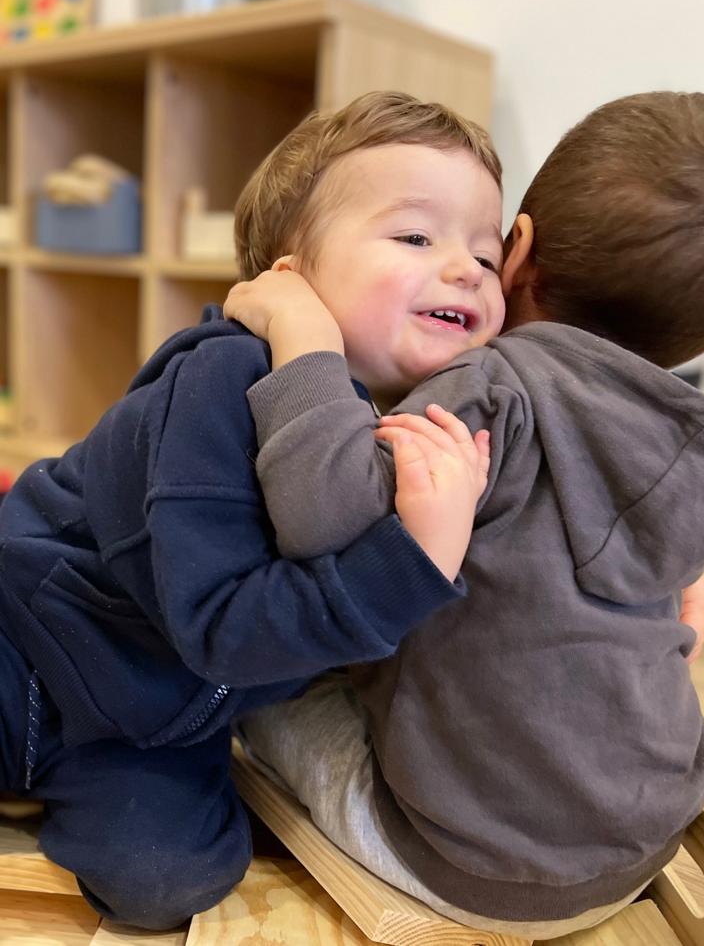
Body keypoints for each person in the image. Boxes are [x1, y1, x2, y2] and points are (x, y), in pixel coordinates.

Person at [228, 90, 704, 937]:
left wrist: (303, 337)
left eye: (480, 247)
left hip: (466, 865)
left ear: (519, 251)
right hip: (648, 838)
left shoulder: (490, 390)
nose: (462, 268)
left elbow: (319, 513)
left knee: (258, 689)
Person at [0, 93, 505, 930]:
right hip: (28, 643)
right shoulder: (223, 378)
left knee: (165, 882)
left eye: (486, 255)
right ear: (289, 279)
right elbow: (223, 626)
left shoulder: (431, 425)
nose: (465, 269)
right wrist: (412, 562)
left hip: (157, 717)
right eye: (416, 237)